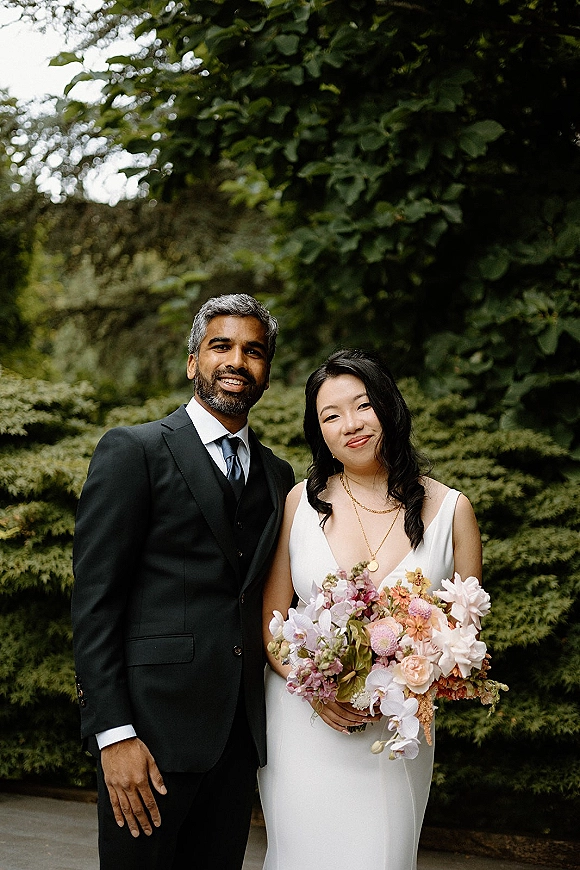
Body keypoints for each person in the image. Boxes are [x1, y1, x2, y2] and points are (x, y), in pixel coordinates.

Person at [71, 293, 295, 870]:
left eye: (254, 351)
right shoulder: (134, 452)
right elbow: (95, 604)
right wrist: (113, 735)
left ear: (267, 371)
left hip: (238, 743)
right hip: (148, 740)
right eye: (221, 346)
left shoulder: (278, 476)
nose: (237, 362)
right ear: (192, 361)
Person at [258, 349, 482, 870]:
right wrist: (312, 687)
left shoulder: (452, 510)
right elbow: (271, 623)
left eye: (363, 406)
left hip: (395, 732)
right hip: (303, 724)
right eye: (330, 416)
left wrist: (416, 671)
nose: (351, 425)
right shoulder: (300, 503)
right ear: (319, 432)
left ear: (389, 408)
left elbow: (464, 635)